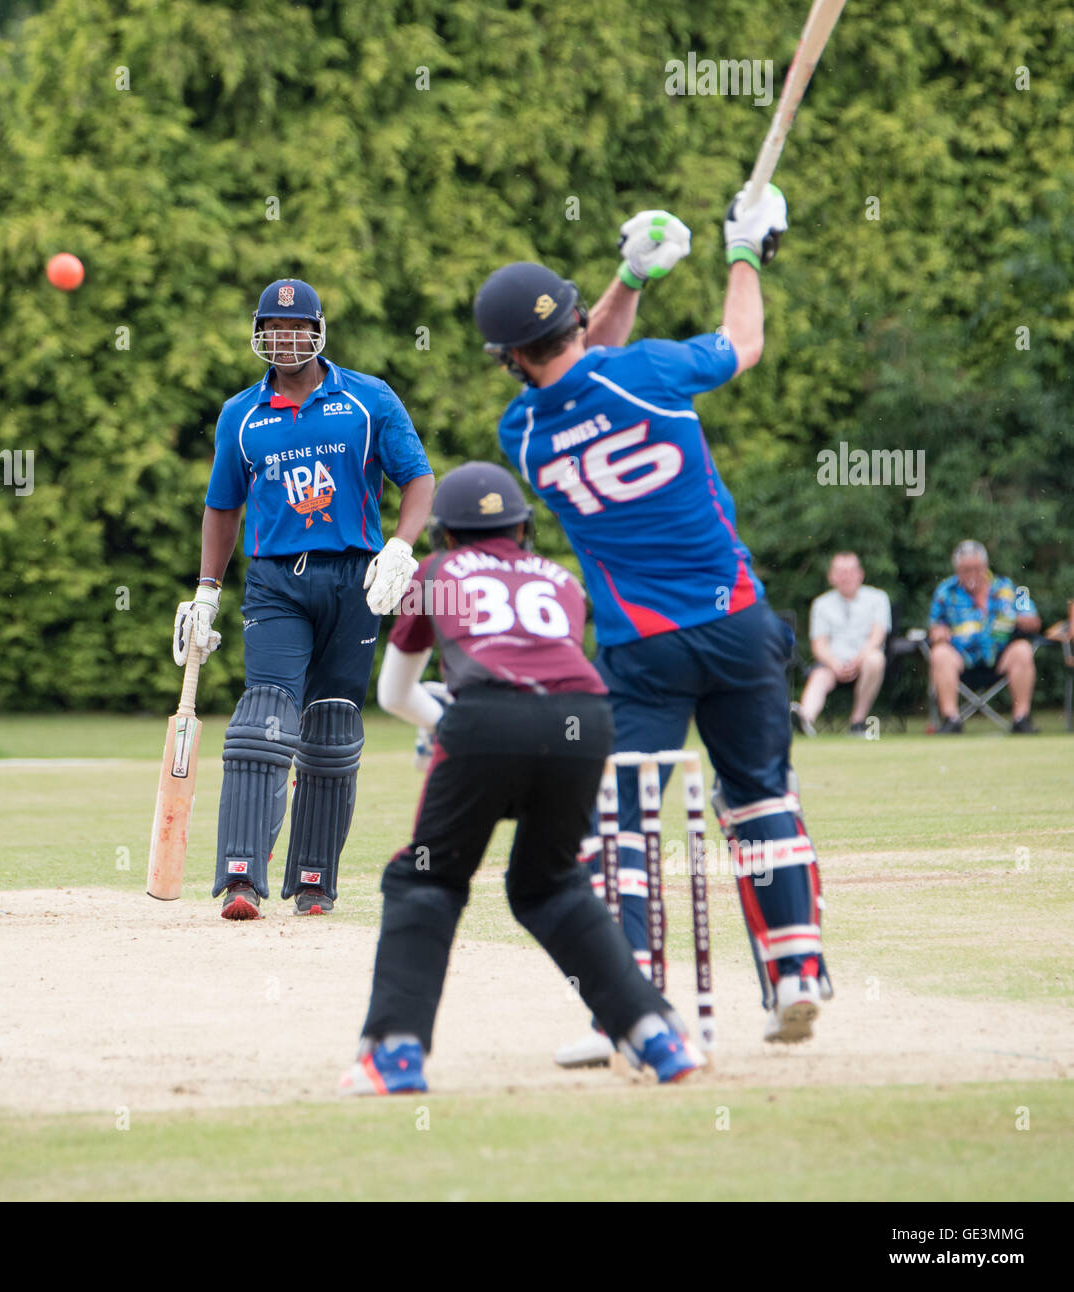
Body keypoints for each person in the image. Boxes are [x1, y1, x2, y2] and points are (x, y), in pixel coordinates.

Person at [474, 186, 832, 1067]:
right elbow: (741, 343)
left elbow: (574, 359)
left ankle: (630, 1015)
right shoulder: (652, 374)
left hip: (641, 648)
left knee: (624, 819)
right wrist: (746, 249)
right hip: (739, 620)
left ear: (512, 356)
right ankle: (796, 973)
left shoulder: (521, 432)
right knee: (757, 794)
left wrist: (628, 278)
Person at [339, 461, 703, 1095]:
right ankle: (657, 1036)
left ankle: (394, 1055)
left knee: (425, 876)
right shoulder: (560, 579)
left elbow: (396, 693)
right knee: (551, 885)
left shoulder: (436, 573)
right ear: (523, 527)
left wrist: (445, 721)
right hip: (587, 720)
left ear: (444, 534)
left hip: (486, 718)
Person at [177, 278, 434, 919]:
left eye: (296, 328)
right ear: (260, 334)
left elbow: (418, 478)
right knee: (265, 715)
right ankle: (241, 876)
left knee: (332, 727)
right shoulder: (241, 414)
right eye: (273, 328)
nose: (284, 339)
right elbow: (222, 506)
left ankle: (313, 880)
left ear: (318, 331)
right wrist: (206, 591)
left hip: (357, 580)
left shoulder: (368, 399)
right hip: (276, 582)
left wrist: (401, 547)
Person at [928, 540, 1041, 733]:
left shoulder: (1010, 587)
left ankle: (1021, 718)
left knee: (1023, 649)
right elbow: (934, 627)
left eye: (976, 568)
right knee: (939, 654)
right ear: (957, 569)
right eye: (965, 569)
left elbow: (1034, 620)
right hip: (961, 659)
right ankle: (951, 719)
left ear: (985, 566)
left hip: (1001, 657)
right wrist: (938, 632)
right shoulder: (945, 591)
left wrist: (1022, 620)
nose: (971, 574)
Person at [792, 552, 891, 736]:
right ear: (832, 577)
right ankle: (805, 718)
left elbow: (878, 636)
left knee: (875, 659)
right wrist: (834, 663)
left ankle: (857, 722)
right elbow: (819, 644)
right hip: (832, 663)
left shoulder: (878, 598)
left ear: (860, 574)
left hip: (866, 661)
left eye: (851, 571)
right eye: (841, 572)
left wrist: (857, 660)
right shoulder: (822, 604)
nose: (847, 576)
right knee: (819, 676)